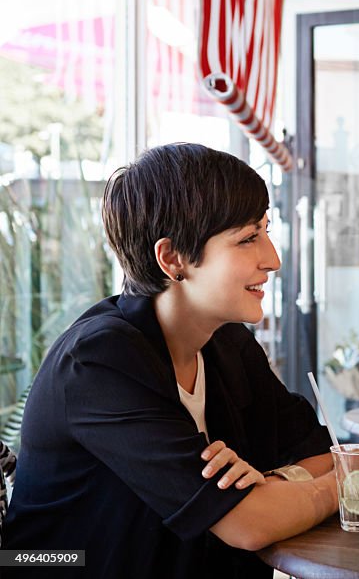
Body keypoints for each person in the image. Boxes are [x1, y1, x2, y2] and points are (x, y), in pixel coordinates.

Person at [3, 144, 338, 579]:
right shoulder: (98, 361)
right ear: (173, 259)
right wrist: (344, 487)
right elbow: (249, 524)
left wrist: (273, 483)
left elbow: (323, 452)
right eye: (248, 238)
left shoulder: (227, 340)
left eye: (266, 230)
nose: (272, 259)